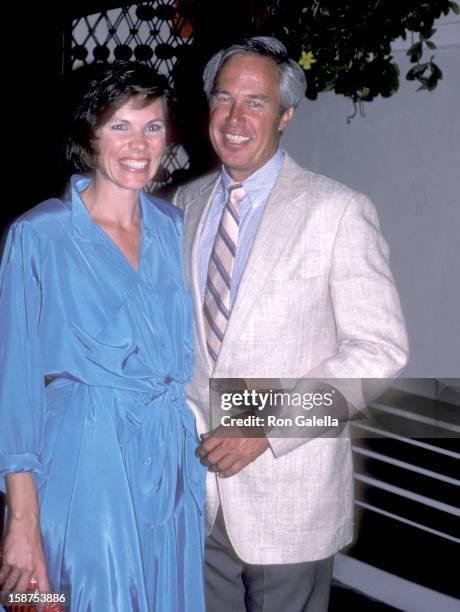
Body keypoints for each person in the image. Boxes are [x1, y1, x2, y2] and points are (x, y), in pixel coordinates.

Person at [174, 37, 409, 611]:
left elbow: (378, 351)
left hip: (290, 491)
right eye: (223, 99)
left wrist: (264, 428)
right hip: (193, 493)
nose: (234, 118)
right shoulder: (182, 204)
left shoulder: (337, 211)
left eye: (255, 102)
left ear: (285, 115)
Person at [0, 62, 205, 611]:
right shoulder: (39, 234)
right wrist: (22, 521)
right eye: (120, 125)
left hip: (170, 461)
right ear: (90, 134)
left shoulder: (175, 228)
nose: (139, 144)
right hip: (86, 460)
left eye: (153, 127)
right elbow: (14, 386)